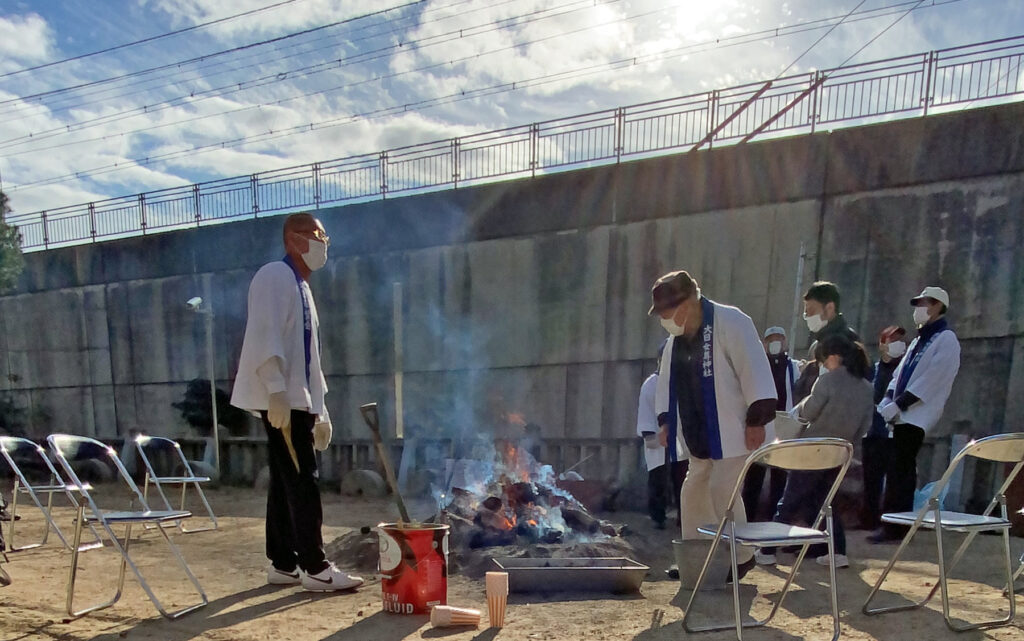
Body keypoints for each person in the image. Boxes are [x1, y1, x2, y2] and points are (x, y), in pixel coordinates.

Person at [231, 212, 363, 592]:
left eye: (325, 237)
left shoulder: (301, 286)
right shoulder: (275, 275)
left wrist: (320, 410)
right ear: (293, 240)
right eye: (318, 235)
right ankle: (315, 566)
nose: (324, 244)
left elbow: (309, 357)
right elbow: (264, 333)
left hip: (297, 401)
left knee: (285, 480)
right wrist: (274, 388)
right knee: (304, 480)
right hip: (284, 401)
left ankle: (284, 563)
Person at [650, 271, 777, 582]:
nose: (665, 318)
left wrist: (757, 418)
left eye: (668, 310)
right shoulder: (674, 343)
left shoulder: (731, 322)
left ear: (690, 302)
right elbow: (665, 383)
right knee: (692, 491)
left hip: (735, 430)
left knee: (723, 488)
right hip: (697, 435)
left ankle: (744, 556)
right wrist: (665, 421)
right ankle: (697, 556)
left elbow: (754, 370)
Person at [767, 334, 874, 568]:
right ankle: (837, 552)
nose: (824, 365)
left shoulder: (827, 381)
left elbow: (809, 412)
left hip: (811, 451)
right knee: (828, 503)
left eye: (825, 360)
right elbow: (864, 426)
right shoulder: (867, 388)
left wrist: (798, 411)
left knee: (790, 501)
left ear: (835, 357)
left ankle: (766, 549)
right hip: (840, 452)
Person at [870, 287, 961, 543]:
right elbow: (899, 375)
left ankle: (895, 525)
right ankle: (892, 522)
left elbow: (933, 379)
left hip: (917, 415)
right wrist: (889, 398)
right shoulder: (920, 340)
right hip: (902, 415)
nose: (918, 309)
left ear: (937, 306)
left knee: (902, 469)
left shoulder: (946, 339)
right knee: (897, 467)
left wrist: (900, 403)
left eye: (924, 304)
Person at [743, 327, 800, 564]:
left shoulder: (793, 366)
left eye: (778, 339)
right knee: (754, 475)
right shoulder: (758, 366)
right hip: (762, 425)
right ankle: (746, 521)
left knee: (780, 478)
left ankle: (775, 522)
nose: (775, 343)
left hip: (785, 426)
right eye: (770, 340)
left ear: (785, 341)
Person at [859, 325, 907, 530]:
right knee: (871, 479)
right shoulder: (874, 370)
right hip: (873, 433)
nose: (897, 344)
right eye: (892, 340)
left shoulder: (905, 370)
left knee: (897, 481)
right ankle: (869, 520)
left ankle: (894, 523)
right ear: (882, 345)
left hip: (897, 434)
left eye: (900, 340)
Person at [637, 342, 689, 530]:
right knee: (658, 476)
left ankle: (684, 517)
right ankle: (658, 516)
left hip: (680, 437)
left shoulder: (683, 382)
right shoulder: (651, 384)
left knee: (682, 478)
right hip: (655, 436)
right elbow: (646, 412)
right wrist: (652, 435)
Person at [793, 281, 861, 402]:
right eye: (805, 313)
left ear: (830, 308)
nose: (808, 317)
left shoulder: (848, 342)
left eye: (811, 311)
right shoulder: (817, 344)